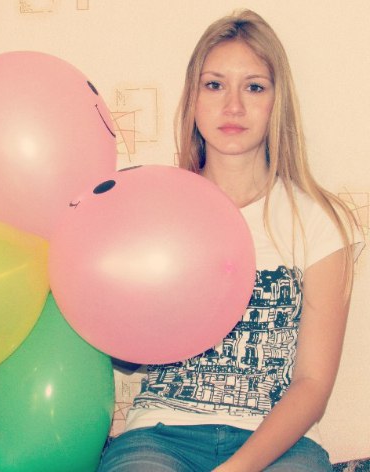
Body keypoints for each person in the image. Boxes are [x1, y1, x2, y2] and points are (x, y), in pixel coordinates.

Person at [99, 8, 364, 472]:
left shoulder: (319, 221)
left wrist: (237, 468)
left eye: (254, 87)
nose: (234, 106)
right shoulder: (154, 209)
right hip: (160, 435)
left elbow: (313, 384)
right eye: (215, 84)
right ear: (193, 97)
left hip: (281, 446)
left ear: (277, 101)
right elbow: (126, 352)